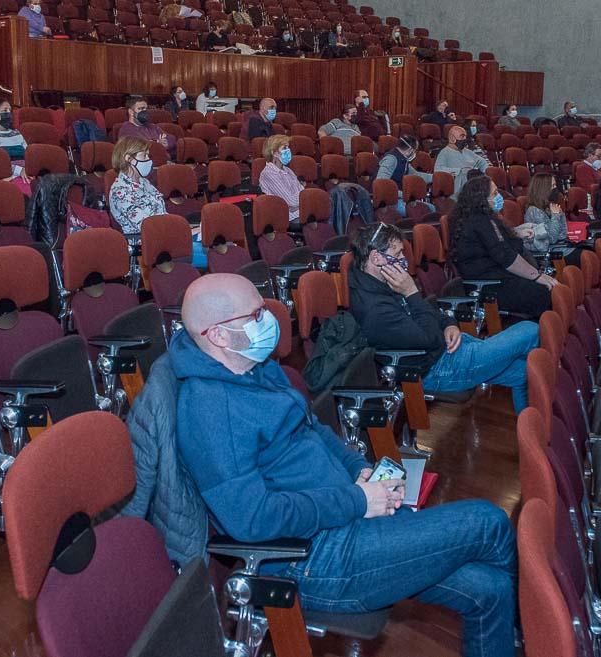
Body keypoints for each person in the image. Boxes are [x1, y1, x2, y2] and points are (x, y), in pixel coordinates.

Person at [174, 272, 519, 657]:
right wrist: (357, 500)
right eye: (255, 316)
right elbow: (252, 520)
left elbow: (314, 429)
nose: (270, 321)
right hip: (313, 559)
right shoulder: (209, 412)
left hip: (348, 518)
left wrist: (358, 469)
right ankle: (538, 633)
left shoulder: (255, 367)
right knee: (489, 522)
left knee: (491, 590)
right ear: (218, 336)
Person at [351, 216, 540, 405]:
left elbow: (427, 312)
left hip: (449, 350)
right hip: (438, 369)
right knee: (531, 329)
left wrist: (450, 324)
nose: (403, 259)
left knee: (522, 373)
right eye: (398, 253)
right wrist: (411, 293)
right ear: (376, 258)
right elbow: (430, 339)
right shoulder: (374, 309)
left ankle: (531, 432)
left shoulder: (383, 282)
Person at [449, 176, 555, 321]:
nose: (499, 197)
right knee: (543, 293)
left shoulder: (485, 218)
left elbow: (503, 246)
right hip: (488, 286)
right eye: (494, 194)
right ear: (481, 198)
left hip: (499, 278)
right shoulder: (479, 220)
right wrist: (536, 276)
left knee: (548, 290)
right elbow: (506, 257)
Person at [108, 137, 166, 236]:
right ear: (128, 159)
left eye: (148, 155)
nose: (149, 160)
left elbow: (163, 214)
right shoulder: (120, 192)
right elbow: (148, 227)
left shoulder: (144, 182)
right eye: (144, 156)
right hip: (145, 244)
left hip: (164, 235)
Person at [376, 134, 433, 216]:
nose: (415, 153)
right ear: (410, 149)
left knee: (431, 208)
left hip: (400, 197)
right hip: (389, 201)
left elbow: (416, 175)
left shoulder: (403, 159)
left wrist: (435, 177)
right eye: (415, 150)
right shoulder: (391, 159)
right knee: (414, 212)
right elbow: (381, 184)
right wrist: (404, 195)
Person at [258, 135, 304, 221]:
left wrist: (298, 202)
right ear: (274, 153)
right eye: (284, 148)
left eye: (288, 147)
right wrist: (300, 200)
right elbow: (292, 201)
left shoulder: (288, 170)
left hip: (300, 211)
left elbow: (302, 190)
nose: (288, 150)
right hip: (287, 217)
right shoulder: (268, 173)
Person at [433, 125, 489, 194]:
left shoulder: (467, 151)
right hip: (459, 188)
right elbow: (437, 170)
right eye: (462, 136)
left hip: (475, 183)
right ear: (452, 138)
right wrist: (460, 170)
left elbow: (482, 162)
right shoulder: (444, 153)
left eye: (465, 136)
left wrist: (485, 172)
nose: (465, 139)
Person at [522, 174, 569, 256]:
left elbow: (562, 235)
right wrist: (555, 216)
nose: (555, 189)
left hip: (559, 247)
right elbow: (551, 239)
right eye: (552, 186)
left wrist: (560, 215)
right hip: (549, 252)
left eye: (555, 185)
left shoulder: (549, 207)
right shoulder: (534, 211)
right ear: (543, 190)